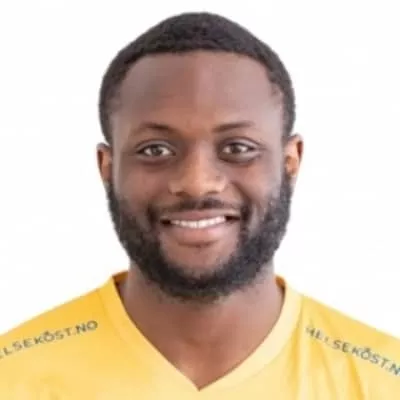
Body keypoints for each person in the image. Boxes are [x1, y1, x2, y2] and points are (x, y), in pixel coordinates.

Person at [0, 11, 399, 399]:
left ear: (290, 162)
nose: (196, 182)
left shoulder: (383, 381)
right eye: (155, 149)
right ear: (108, 167)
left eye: (238, 148)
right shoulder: (13, 377)